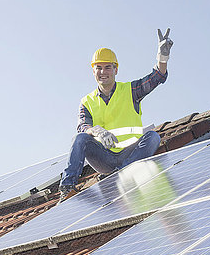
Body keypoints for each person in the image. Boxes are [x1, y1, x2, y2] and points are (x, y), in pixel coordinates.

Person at [58, 28, 173, 202]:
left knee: (153, 137)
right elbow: (83, 125)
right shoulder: (86, 101)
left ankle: (122, 173)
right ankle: (67, 188)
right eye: (98, 68)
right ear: (93, 71)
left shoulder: (130, 90)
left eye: (107, 67)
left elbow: (157, 77)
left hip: (130, 154)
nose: (103, 72)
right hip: (104, 158)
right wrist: (96, 131)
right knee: (79, 138)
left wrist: (162, 58)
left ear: (116, 70)